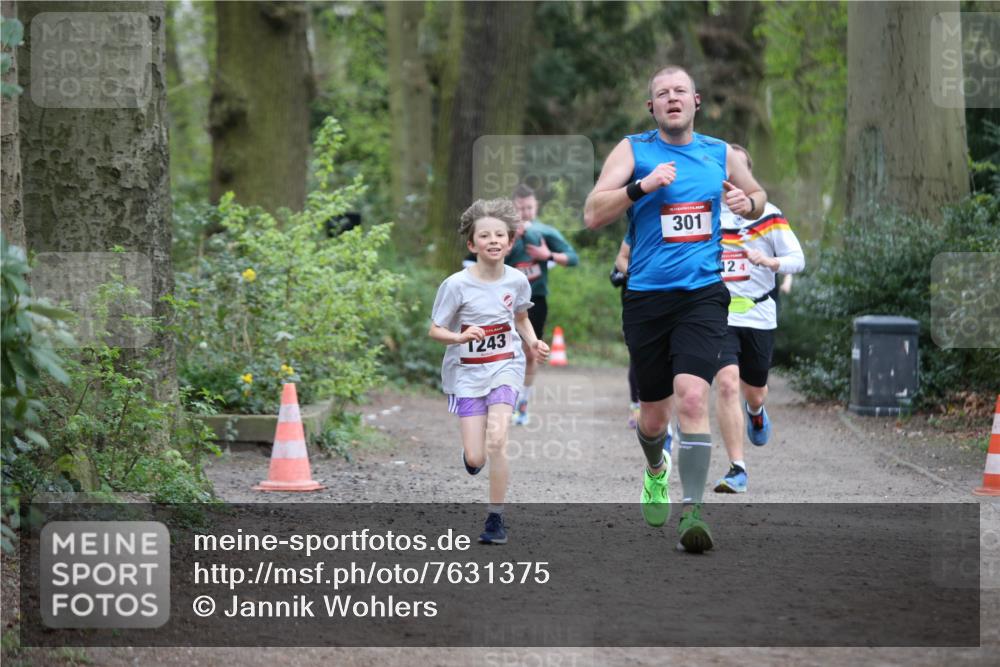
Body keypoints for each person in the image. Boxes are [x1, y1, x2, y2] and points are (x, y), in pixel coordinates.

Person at [584, 65, 766, 553]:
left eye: (679, 91)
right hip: (646, 298)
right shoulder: (634, 151)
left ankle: (693, 512)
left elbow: (758, 195)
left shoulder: (719, 152)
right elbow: (593, 212)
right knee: (654, 419)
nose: (671, 98)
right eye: (661, 93)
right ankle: (654, 469)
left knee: (692, 399)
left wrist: (746, 203)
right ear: (652, 107)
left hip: (703, 294)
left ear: (696, 101)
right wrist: (641, 187)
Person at [430, 199, 551, 544]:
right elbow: (435, 330)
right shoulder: (456, 285)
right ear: (472, 244)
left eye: (501, 235)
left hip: (505, 366)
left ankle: (495, 519)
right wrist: (460, 336)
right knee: (475, 456)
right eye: (485, 235)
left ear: (510, 242)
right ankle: (471, 455)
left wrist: (533, 342)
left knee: (498, 440)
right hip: (466, 373)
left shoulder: (516, 281)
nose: (494, 240)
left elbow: (522, 317)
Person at [712, 145, 804, 494]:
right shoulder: (706, 215)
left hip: (760, 313)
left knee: (755, 390)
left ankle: (756, 411)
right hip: (719, 314)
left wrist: (771, 263)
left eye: (738, 172)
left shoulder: (770, 215)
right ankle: (737, 467)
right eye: (726, 171)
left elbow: (798, 259)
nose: (731, 179)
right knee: (726, 384)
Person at [509, 184, 579, 425]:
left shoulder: (545, 232)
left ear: (536, 207)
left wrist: (547, 255)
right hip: (504, 302)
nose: (525, 213)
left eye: (529, 207)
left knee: (530, 351)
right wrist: (512, 238)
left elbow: (572, 258)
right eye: (520, 208)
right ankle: (503, 400)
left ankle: (523, 404)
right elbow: (484, 258)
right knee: (505, 353)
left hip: (535, 300)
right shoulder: (502, 233)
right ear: (512, 208)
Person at [611, 232, 674, 446]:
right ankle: (635, 406)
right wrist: (636, 273)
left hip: (673, 304)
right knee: (637, 360)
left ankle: (668, 420)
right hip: (638, 308)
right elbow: (615, 275)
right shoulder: (635, 235)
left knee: (674, 360)